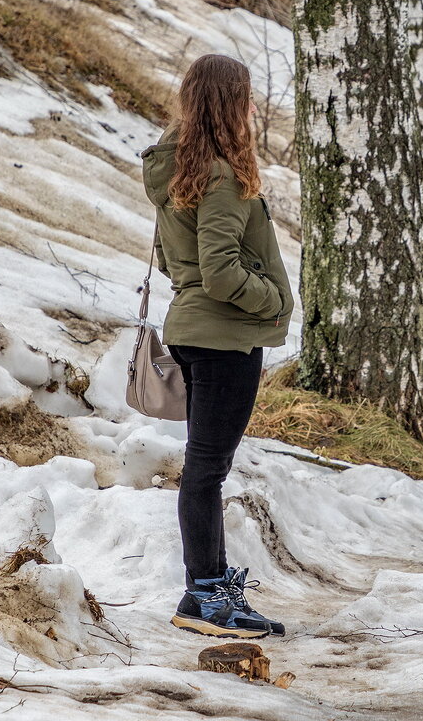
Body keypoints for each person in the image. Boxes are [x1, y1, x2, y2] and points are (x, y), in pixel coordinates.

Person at [139, 53, 294, 638]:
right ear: (231, 104)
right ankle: (207, 596)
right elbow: (222, 270)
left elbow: (174, 258)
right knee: (206, 471)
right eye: (246, 99)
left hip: (193, 332)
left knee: (203, 469)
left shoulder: (180, 168)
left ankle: (203, 592)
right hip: (224, 339)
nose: (252, 110)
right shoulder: (223, 176)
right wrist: (274, 302)